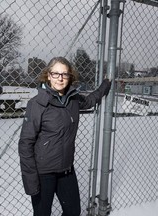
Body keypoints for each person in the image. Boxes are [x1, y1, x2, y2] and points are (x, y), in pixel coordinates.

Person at [18, 56, 111, 216]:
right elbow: (25, 144)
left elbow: (89, 101)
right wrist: (31, 180)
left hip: (66, 170)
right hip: (43, 172)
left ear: (70, 76)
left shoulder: (72, 99)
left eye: (65, 74)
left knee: (73, 211)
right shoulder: (37, 104)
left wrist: (105, 85)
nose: (60, 78)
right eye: (56, 73)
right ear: (48, 75)